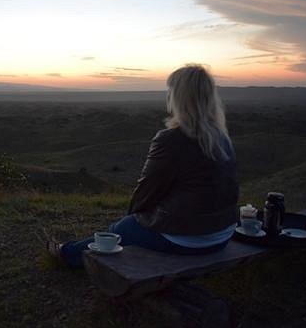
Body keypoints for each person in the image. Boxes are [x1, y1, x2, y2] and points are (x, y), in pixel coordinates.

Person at [47, 64, 239, 267]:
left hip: (189, 240)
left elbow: (147, 190)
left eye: (171, 91)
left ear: (178, 98)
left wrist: (134, 218)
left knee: (121, 229)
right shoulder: (221, 138)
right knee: (127, 227)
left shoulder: (171, 139)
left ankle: (67, 255)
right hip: (222, 235)